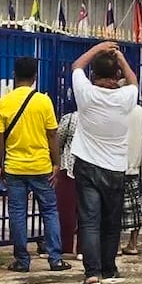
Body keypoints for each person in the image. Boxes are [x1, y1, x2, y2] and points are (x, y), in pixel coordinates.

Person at [0, 57, 70, 273]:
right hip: (41, 167)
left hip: (15, 167)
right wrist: (56, 163)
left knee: (17, 213)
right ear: (35, 77)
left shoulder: (3, 103)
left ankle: (22, 260)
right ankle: (55, 258)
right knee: (49, 211)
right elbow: (52, 135)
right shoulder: (43, 101)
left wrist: (0, 165)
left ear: (14, 76)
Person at [71, 42, 138, 284]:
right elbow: (133, 80)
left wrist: (98, 48)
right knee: (111, 222)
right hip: (115, 167)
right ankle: (109, 269)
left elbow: (77, 65)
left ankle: (92, 274)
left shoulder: (86, 93)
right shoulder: (126, 97)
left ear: (94, 75)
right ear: (117, 75)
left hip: (87, 164)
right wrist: (119, 57)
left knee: (89, 221)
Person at [121, 98, 142, 255]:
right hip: (134, 163)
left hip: (117, 163)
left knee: (114, 207)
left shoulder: (117, 109)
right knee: (135, 206)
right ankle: (133, 243)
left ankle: (115, 245)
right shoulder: (139, 110)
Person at [56, 109, 80, 258]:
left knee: (66, 211)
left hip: (69, 167)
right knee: (87, 211)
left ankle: (66, 246)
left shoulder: (70, 118)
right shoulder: (99, 117)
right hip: (91, 167)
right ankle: (83, 249)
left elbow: (57, 142)